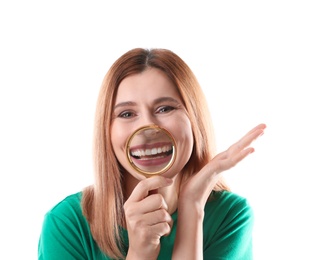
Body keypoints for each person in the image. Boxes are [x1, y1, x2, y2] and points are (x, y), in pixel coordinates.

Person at [38, 48, 266, 260]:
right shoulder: (66, 224)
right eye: (127, 114)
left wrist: (192, 208)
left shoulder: (230, 215)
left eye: (165, 108)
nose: (147, 128)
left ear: (194, 120)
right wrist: (139, 253)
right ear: (106, 131)